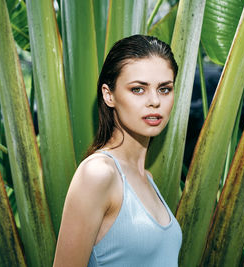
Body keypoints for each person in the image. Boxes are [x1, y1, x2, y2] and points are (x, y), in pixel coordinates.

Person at [53, 34, 182, 267]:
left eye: (164, 89)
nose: (154, 101)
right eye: (138, 90)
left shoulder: (146, 178)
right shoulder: (98, 174)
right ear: (108, 95)